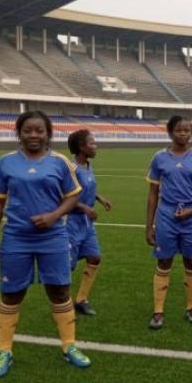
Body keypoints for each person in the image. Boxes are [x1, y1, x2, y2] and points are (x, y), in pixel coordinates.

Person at [0, 110, 91, 378]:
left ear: (48, 134)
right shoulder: (5, 163)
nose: (34, 135)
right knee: (11, 294)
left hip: (53, 237)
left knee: (59, 290)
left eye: (39, 130)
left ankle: (69, 346)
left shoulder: (60, 162)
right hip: (16, 237)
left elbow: (72, 196)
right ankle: (5, 351)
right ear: (19, 133)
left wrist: (54, 215)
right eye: (27, 130)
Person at [145, 116, 192, 329]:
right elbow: (153, 193)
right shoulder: (159, 158)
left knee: (191, 261)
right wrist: (149, 226)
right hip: (167, 215)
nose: (183, 134)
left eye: (187, 130)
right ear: (170, 132)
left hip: (191, 217)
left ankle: (191, 308)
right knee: (164, 261)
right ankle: (158, 312)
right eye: (179, 130)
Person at [67, 129, 113, 316]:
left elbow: (86, 189)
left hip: (86, 224)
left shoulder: (87, 165)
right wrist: (84, 208)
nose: (96, 146)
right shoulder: (71, 169)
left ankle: (81, 300)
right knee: (67, 266)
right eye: (92, 143)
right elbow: (63, 196)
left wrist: (99, 198)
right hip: (70, 223)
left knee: (94, 257)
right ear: (81, 147)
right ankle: (62, 303)